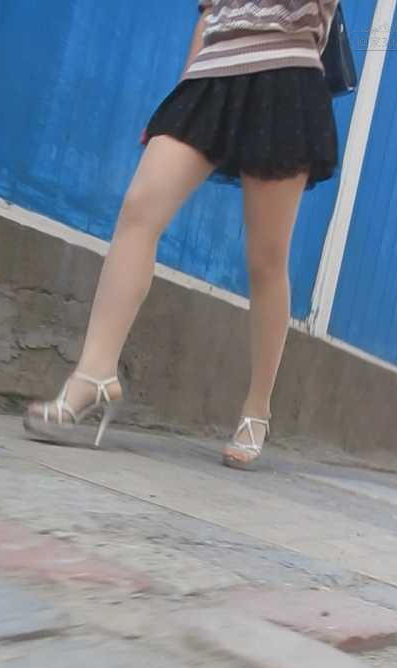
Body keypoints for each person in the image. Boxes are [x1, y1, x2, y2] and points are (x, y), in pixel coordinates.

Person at [24, 0, 340, 470]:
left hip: (285, 76)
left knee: (266, 260)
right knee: (138, 210)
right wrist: (183, 93)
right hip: (211, 74)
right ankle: (94, 374)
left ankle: (257, 408)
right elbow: (209, 12)